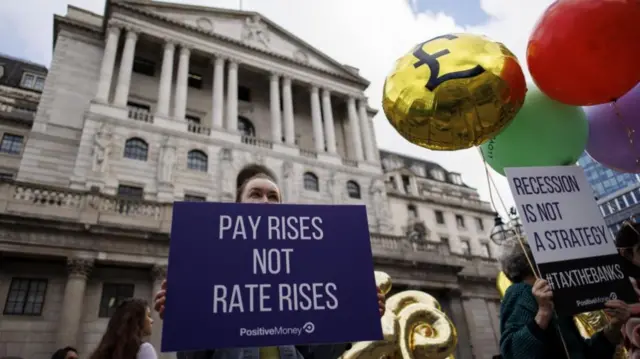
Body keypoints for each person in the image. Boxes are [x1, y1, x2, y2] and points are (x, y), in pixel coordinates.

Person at [154, 165, 386, 359]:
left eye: (273, 197)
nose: (266, 201)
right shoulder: (210, 271)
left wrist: (354, 314)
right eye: (255, 194)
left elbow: (316, 355)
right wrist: (183, 318)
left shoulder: (301, 278)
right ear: (236, 207)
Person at [499, 241, 630, 359]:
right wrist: (543, 313)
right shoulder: (521, 291)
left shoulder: (554, 297)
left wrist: (614, 326)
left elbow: (581, 352)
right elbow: (513, 353)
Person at [89, 298, 157, 359]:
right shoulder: (145, 349)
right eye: (148, 315)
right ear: (137, 319)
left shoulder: (103, 352)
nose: (152, 321)